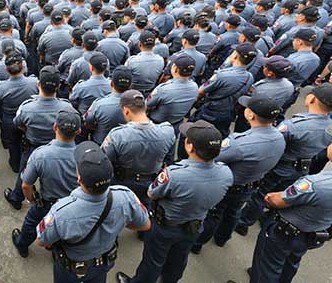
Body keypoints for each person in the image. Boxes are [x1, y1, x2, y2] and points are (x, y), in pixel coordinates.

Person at [116, 120, 233, 283]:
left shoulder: (175, 174)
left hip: (165, 226)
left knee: (153, 261)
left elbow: (151, 193)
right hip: (194, 225)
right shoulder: (226, 173)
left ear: (190, 146)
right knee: (179, 259)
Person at [37, 141, 151, 283]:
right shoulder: (126, 196)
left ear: (79, 179)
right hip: (103, 263)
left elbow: (41, 241)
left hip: (71, 269)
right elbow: (145, 225)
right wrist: (119, 222)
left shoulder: (61, 211)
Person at [191, 95, 286, 254]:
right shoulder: (279, 137)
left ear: (251, 115)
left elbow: (214, 156)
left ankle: (197, 244)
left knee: (214, 214)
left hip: (229, 185)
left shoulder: (240, 142)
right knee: (233, 212)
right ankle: (222, 238)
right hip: (251, 184)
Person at [236, 84, 332, 236]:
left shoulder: (295, 125)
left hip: (281, 164)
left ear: (312, 99)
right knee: (282, 193)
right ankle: (267, 218)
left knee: (261, 194)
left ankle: (243, 222)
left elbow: (273, 142)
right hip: (303, 166)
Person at [247, 151, 332, 283]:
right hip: (312, 232)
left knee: (266, 268)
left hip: (286, 232)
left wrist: (270, 197)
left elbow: (276, 200)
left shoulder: (316, 184)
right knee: (290, 263)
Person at [4, 66, 78, 210]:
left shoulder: (27, 108)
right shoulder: (67, 108)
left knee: (25, 174)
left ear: (39, 84)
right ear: (58, 86)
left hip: (33, 146)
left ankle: (17, 198)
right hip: (58, 146)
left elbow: (18, 124)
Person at [12, 111, 81, 258]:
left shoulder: (40, 154)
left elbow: (26, 185)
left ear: (55, 127)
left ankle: (22, 245)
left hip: (47, 203)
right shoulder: (83, 155)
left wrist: (31, 199)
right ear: (79, 131)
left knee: (31, 224)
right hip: (73, 204)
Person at [102, 89, 175, 211]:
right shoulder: (167, 131)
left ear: (125, 111)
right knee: (145, 213)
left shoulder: (117, 135)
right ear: (145, 108)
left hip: (122, 183)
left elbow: (105, 161)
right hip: (151, 184)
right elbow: (168, 160)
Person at [0, 50, 39, 172]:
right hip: (29, 118)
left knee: (13, 143)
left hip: (10, 120)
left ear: (7, 70)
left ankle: (15, 165)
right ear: (23, 67)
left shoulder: (1, 86)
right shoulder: (34, 82)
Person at [84, 66, 133, 144]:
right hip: (126, 144)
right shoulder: (137, 105)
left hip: (101, 142)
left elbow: (87, 122)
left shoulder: (99, 104)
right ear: (130, 85)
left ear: (111, 83)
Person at [124, 30, 164, 96]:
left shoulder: (131, 61)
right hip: (151, 93)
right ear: (154, 44)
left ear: (139, 44)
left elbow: (125, 77)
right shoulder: (160, 60)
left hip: (133, 94)